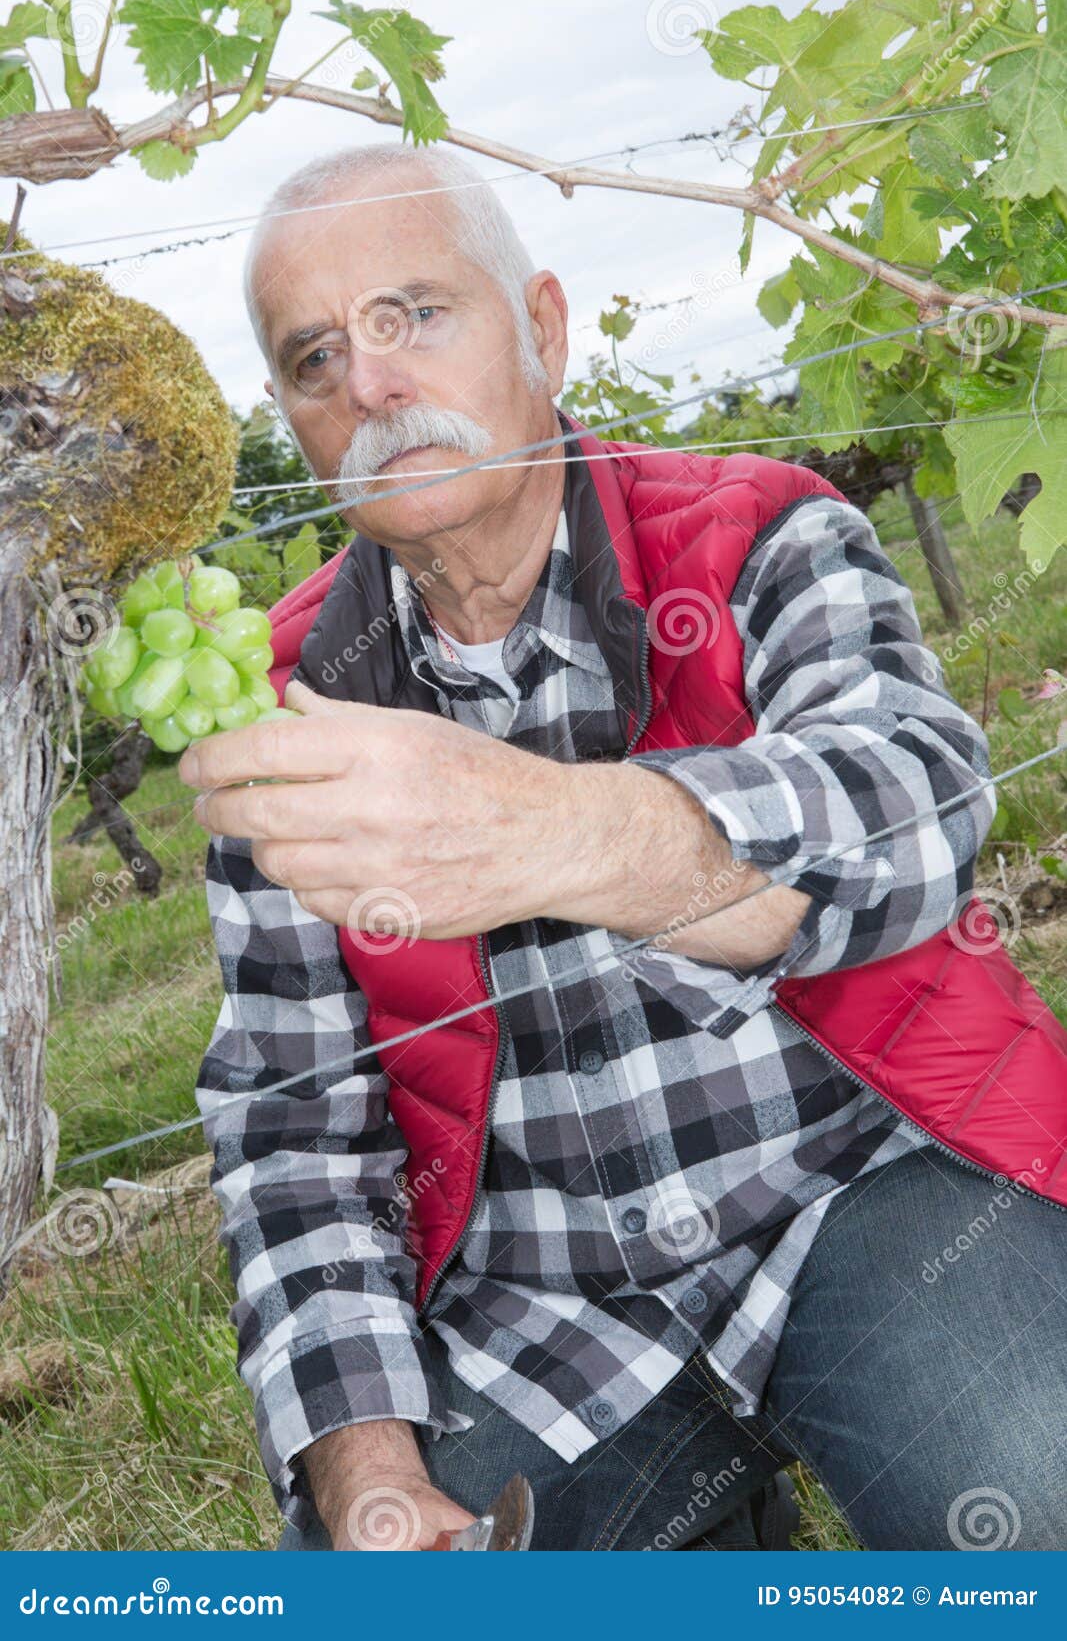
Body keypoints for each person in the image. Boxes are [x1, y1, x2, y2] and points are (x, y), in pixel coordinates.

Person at [184, 142, 1067, 1553]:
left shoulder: (759, 530)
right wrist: (364, 1470)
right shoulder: (286, 708)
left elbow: (921, 807)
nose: (371, 384)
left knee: (1036, 1498)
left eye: (417, 314)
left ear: (542, 328)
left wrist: (553, 832)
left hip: (864, 1191)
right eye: (315, 357)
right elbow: (295, 1132)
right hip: (539, 1305)